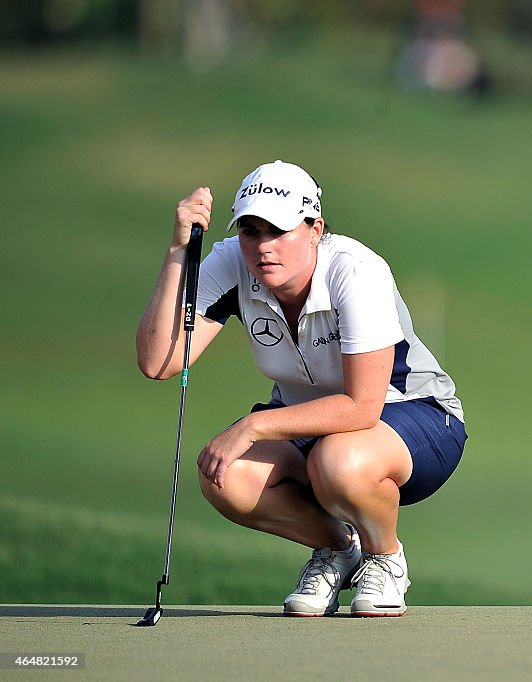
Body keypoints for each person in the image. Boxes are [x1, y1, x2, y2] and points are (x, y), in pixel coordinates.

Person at [136, 160, 467, 617]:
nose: (262, 247)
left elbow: (362, 407)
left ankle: (384, 557)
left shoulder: (354, 270)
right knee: (226, 476)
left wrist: (253, 425)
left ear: (315, 228)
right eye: (251, 231)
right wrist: (178, 253)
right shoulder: (233, 262)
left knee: (338, 461)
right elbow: (160, 362)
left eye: (278, 230)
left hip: (416, 416)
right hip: (310, 426)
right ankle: (337, 550)